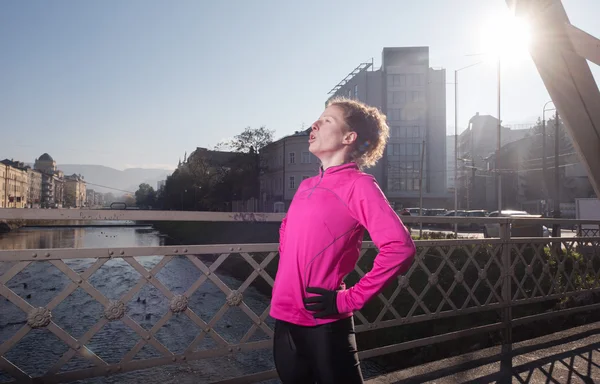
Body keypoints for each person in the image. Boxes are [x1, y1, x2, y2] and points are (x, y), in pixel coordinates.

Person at [270, 97, 416, 383]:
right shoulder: (306, 185)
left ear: (349, 137)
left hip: (324, 323)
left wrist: (348, 299)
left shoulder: (359, 185)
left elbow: (400, 248)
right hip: (284, 319)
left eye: (327, 121)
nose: (315, 124)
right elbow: (287, 233)